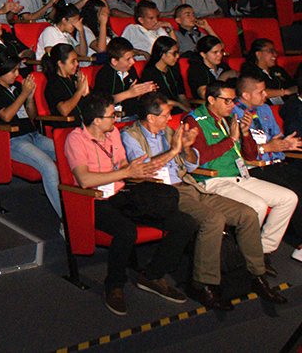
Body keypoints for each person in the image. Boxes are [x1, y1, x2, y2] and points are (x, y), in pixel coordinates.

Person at [120, 92, 282, 310]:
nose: (170, 119)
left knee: (247, 214)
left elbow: (190, 166)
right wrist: (175, 149)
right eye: (167, 114)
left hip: (189, 185)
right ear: (151, 117)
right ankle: (203, 284)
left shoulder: (169, 132)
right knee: (212, 220)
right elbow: (142, 170)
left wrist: (186, 148)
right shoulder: (131, 135)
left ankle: (257, 275)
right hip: (162, 193)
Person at [65, 92, 195, 315]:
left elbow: (124, 165)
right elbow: (85, 180)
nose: (116, 119)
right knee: (126, 231)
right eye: (111, 116)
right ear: (97, 120)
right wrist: (125, 172)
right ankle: (114, 285)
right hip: (93, 200)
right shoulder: (75, 139)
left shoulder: (113, 133)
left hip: (121, 193)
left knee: (184, 223)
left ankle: (152, 275)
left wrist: (136, 169)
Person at [184, 79, 298, 279]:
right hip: (213, 180)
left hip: (240, 175)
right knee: (258, 206)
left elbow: (251, 156)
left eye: (232, 100)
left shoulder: (229, 119)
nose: (231, 105)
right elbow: (199, 158)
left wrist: (245, 134)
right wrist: (231, 140)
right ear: (211, 99)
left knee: (288, 198)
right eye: (227, 101)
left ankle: (261, 251)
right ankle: (250, 256)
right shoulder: (194, 121)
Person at [0, 51, 62, 215]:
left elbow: (32, 116)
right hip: (13, 140)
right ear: (1, 71)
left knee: (68, 153)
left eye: (17, 70)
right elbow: (6, 116)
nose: (17, 74)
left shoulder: (16, 87)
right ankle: (66, 221)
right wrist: (23, 94)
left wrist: (29, 98)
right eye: (13, 71)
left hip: (33, 135)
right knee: (49, 167)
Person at [233, 73, 302, 259]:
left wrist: (286, 144)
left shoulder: (264, 109)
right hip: (254, 167)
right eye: (261, 92)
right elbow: (236, 150)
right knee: (294, 190)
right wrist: (266, 148)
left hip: (276, 161)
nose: (266, 95)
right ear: (246, 95)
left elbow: (275, 136)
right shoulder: (233, 113)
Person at [93, 37, 156, 118]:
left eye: (132, 57)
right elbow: (101, 103)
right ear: (114, 61)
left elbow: (137, 93)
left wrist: (144, 89)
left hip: (134, 115)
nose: (133, 62)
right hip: (112, 119)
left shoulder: (131, 70)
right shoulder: (104, 75)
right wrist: (128, 94)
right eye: (128, 59)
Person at [42, 43, 88, 129]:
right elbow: (64, 110)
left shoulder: (75, 79)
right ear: (60, 63)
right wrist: (79, 91)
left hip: (83, 126)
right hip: (67, 129)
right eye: (73, 61)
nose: (77, 64)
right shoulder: (53, 84)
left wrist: (86, 93)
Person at [140, 36, 191, 112]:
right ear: (162, 54)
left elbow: (182, 95)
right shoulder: (149, 73)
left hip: (178, 110)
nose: (177, 56)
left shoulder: (174, 71)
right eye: (174, 53)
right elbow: (152, 99)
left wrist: (187, 108)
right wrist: (178, 104)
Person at [240, 39, 298, 105]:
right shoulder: (249, 70)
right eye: (270, 51)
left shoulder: (278, 69)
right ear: (258, 54)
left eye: (274, 51)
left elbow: (292, 87)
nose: (275, 54)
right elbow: (256, 92)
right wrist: (285, 92)